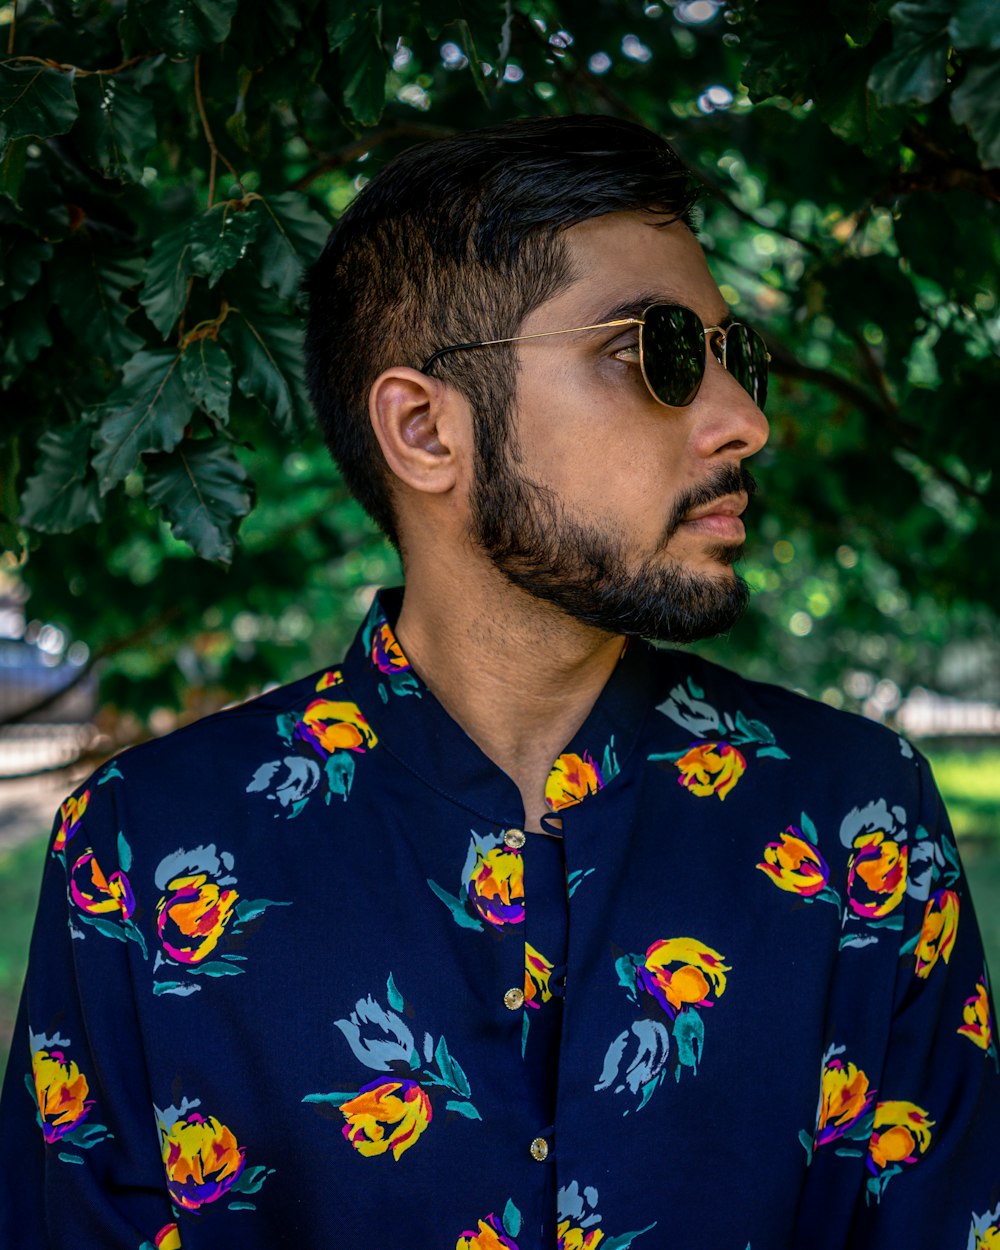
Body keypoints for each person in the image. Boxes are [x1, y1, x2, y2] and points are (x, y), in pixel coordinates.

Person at [1, 114, 997, 1250]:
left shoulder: (863, 820)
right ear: (425, 428)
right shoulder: (140, 852)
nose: (744, 422)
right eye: (654, 351)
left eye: (736, 357)